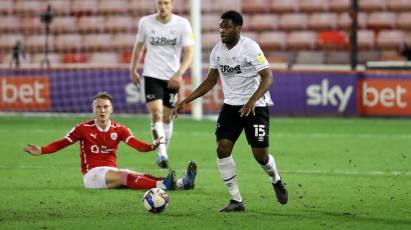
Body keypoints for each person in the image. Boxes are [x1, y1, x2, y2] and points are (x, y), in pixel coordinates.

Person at [172, 10, 288, 212]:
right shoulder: (217, 51)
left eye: (226, 27)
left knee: (260, 155)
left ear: (238, 28)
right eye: (220, 27)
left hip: (256, 107)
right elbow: (210, 81)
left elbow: (268, 76)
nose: (222, 31)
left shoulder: (250, 48)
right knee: (222, 148)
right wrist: (186, 100)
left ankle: (276, 179)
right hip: (231, 106)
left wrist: (252, 100)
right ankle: (236, 200)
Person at [24, 92, 197, 191]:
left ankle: (182, 183)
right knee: (125, 176)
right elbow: (62, 143)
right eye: (98, 107)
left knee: (139, 175)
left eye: (105, 107)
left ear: (111, 109)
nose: (102, 110)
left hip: (110, 171)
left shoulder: (120, 129)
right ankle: (164, 185)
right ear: (93, 109)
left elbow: (137, 145)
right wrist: (42, 150)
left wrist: (152, 146)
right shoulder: (82, 129)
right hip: (92, 176)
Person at [130, 0, 194, 168]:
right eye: (160, 3)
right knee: (156, 114)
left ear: (172, 5)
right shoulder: (145, 22)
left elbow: (189, 52)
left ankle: (163, 148)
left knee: (167, 117)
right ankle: (162, 153)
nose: (163, 6)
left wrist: (179, 73)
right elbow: (138, 47)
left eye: (166, 3)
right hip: (151, 74)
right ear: (156, 5)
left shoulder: (182, 24)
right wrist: (133, 69)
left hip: (172, 77)